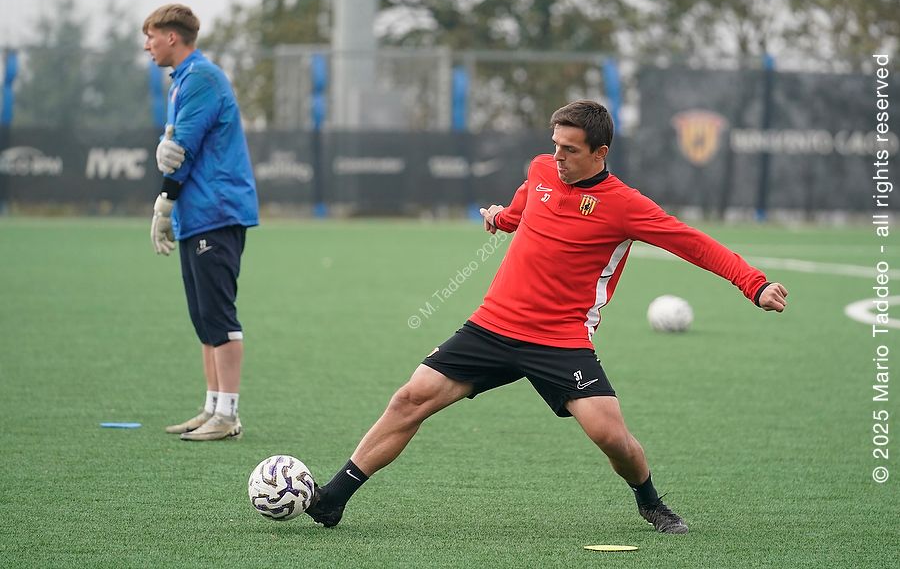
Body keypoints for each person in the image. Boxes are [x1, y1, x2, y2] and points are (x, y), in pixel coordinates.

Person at [305, 100, 790, 533]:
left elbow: (694, 244)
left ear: (600, 153)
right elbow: (523, 210)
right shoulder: (541, 169)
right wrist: (500, 219)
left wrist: (754, 284)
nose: (557, 156)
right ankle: (333, 499)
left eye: (570, 149)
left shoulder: (625, 205)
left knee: (610, 437)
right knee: (410, 398)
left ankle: (649, 501)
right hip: (493, 325)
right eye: (555, 144)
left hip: (561, 339)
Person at [144, 4, 259, 441]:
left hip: (217, 210)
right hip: (198, 212)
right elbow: (173, 147)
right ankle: (212, 406)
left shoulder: (201, 78)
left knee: (219, 314)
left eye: (151, 36)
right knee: (203, 316)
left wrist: (164, 204)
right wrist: (170, 203)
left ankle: (228, 415)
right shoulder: (183, 80)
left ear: (172, 37)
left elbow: (180, 150)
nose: (147, 45)